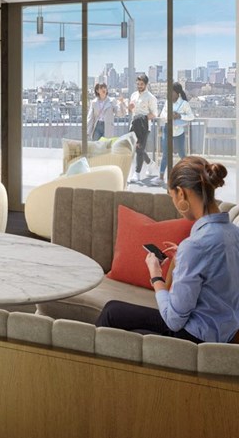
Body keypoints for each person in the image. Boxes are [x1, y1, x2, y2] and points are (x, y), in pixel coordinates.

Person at [96, 157, 239, 344]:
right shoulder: (234, 233)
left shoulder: (195, 246)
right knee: (127, 327)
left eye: (172, 196)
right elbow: (218, 275)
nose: (174, 203)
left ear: (181, 193)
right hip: (226, 334)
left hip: (195, 337)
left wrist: (156, 277)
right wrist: (184, 261)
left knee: (111, 312)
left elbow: (173, 320)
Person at [158, 82, 194, 182]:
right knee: (165, 154)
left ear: (177, 93)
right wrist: (169, 116)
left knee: (182, 154)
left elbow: (191, 116)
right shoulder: (167, 102)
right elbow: (162, 115)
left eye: (172, 91)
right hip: (167, 130)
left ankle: (188, 174)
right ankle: (161, 177)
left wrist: (180, 116)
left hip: (179, 132)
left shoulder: (184, 103)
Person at [127, 74, 158, 180]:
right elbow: (131, 110)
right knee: (138, 149)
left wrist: (142, 119)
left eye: (141, 84)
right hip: (133, 126)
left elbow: (154, 114)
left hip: (144, 127)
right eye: (138, 84)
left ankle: (137, 173)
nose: (139, 86)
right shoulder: (133, 95)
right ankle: (150, 163)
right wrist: (129, 108)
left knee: (140, 149)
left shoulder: (151, 97)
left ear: (146, 84)